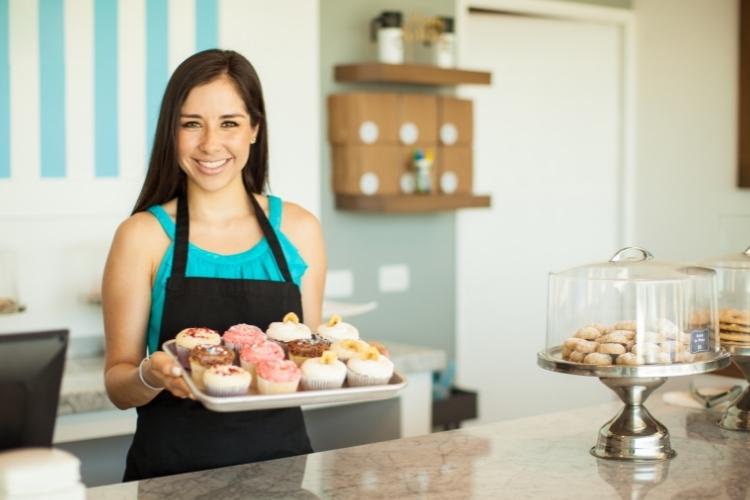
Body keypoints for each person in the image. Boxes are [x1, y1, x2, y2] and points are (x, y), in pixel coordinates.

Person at [101, 49, 326, 481]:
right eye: (191, 124)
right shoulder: (141, 236)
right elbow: (118, 385)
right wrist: (150, 374)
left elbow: (305, 361)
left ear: (254, 130)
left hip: (282, 471)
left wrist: (347, 360)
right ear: (172, 132)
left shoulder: (300, 230)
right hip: (169, 476)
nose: (210, 144)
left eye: (229, 123)